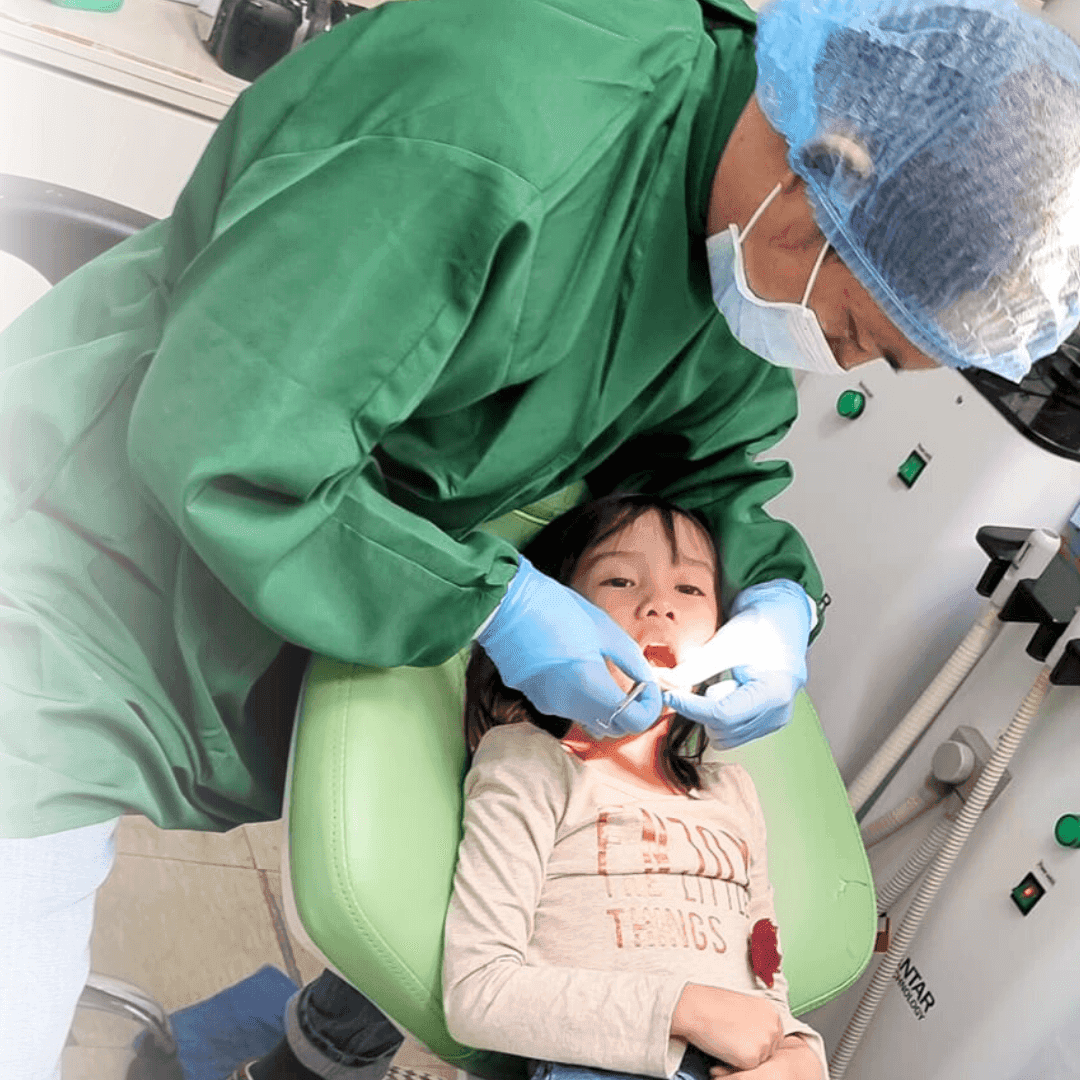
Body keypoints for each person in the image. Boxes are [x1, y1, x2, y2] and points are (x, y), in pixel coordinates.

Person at [0, 0, 1077, 1075]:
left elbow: (706, 462)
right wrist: (491, 605)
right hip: (82, 557)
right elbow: (227, 438)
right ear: (822, 177)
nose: (836, 365)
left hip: (321, 576)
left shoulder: (734, 232)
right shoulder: (486, 130)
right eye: (852, 334)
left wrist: (773, 596)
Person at [442, 493, 830, 1080]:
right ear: (559, 611)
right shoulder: (532, 765)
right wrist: (680, 1009)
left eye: (691, 590)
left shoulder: (732, 793)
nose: (658, 608)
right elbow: (478, 995)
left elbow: (763, 973)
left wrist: (802, 1053)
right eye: (620, 580)